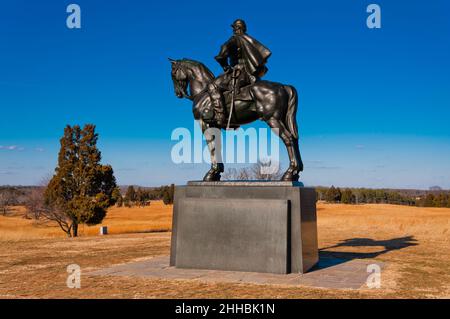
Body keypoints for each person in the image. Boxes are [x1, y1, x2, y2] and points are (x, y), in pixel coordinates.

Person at [204, 19, 272, 127]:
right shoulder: (249, 40)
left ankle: (220, 116)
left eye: (234, 28)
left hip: (239, 73)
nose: (233, 30)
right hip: (251, 74)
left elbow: (222, 54)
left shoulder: (234, 39)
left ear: (236, 28)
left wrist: (225, 66)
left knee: (212, 86)